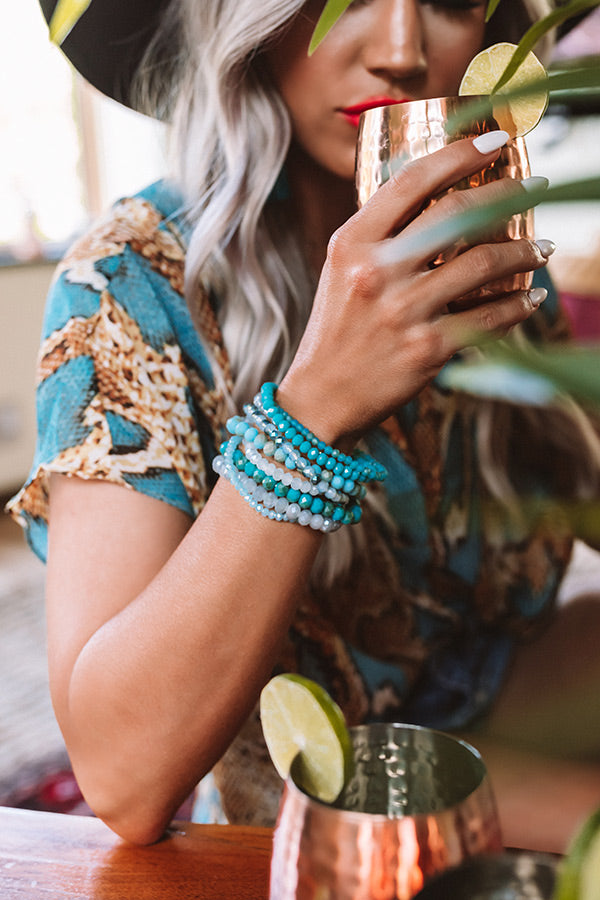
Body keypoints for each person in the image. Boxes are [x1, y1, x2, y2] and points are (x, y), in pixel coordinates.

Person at [8, 0, 600, 851]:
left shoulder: (480, 243)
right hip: (305, 808)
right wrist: (315, 411)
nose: (399, 51)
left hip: (511, 704)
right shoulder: (129, 284)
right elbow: (122, 776)